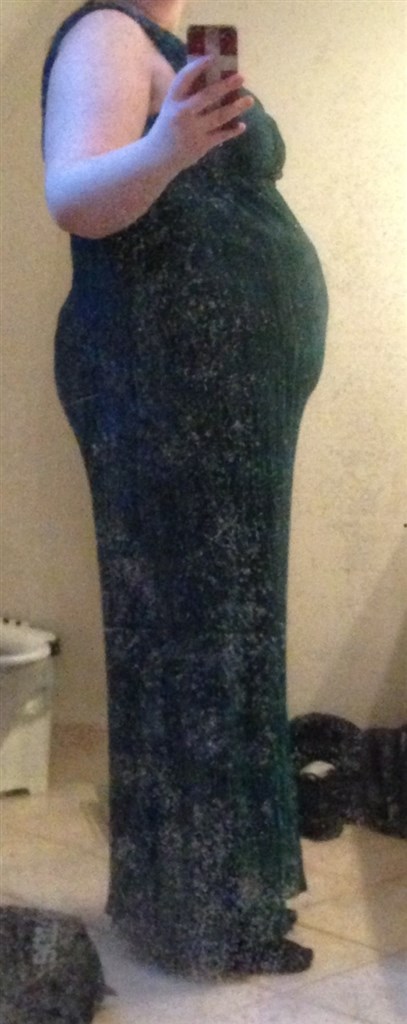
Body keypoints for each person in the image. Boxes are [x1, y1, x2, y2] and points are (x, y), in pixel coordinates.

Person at [41, 0, 328, 980]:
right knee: (190, 648)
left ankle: (223, 899)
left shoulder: (171, 41)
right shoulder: (105, 32)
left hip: (226, 397)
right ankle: (197, 915)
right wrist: (167, 146)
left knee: (228, 643)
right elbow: (74, 196)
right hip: (164, 383)